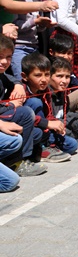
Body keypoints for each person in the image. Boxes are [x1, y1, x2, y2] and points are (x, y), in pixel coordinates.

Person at [0, 35, 45, 177]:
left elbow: (9, 77)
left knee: (36, 133)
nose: (4, 62)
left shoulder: (2, 74)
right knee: (25, 113)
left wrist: (18, 84)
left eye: (8, 57)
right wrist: (10, 104)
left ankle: (12, 159)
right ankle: (19, 161)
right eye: (0, 57)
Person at [21, 52, 77, 162]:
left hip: (43, 127)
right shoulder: (21, 91)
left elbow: (48, 112)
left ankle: (47, 144)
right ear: (25, 76)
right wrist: (47, 123)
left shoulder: (45, 90)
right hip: (28, 129)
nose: (44, 79)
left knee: (72, 145)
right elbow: (23, 116)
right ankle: (43, 147)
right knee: (35, 102)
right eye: (38, 75)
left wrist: (56, 123)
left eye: (47, 75)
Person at [12, 0, 55, 80]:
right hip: (19, 47)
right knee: (21, 80)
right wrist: (35, 21)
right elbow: (14, 25)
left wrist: (43, 24)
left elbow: (36, 27)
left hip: (33, 46)